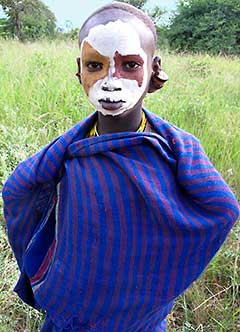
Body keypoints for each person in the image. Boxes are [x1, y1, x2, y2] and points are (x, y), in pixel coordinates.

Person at [2, 2, 239, 332]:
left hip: (141, 321)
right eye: (95, 65)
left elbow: (222, 209)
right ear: (79, 71)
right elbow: (18, 192)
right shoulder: (67, 153)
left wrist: (160, 283)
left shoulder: (178, 151)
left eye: (129, 65)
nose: (111, 81)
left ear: (154, 69)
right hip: (70, 315)